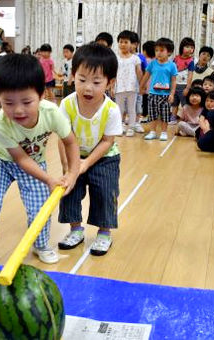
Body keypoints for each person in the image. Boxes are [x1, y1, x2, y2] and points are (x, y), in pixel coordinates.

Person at [0, 53, 80, 264]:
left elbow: (71, 142)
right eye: (8, 103)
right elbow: (20, 159)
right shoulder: (1, 124)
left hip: (34, 161)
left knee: (40, 205)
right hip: (0, 161)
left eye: (27, 101)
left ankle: (41, 243)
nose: (18, 110)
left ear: (41, 95)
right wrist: (48, 179)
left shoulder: (52, 113)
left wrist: (72, 174)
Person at [57, 43, 121, 256]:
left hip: (104, 157)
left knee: (104, 191)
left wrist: (86, 163)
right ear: (73, 76)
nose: (87, 88)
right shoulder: (66, 105)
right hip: (75, 155)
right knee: (69, 190)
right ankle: (76, 230)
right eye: (82, 80)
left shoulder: (111, 110)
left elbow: (107, 141)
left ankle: (104, 233)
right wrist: (69, 167)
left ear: (109, 83)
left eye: (96, 82)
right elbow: (64, 138)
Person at [139, 37, 177, 141]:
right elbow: (146, 76)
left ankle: (164, 132)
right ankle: (152, 132)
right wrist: (141, 87)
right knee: (152, 114)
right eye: (156, 50)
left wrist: (172, 94)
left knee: (165, 115)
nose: (158, 53)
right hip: (152, 93)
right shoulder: (152, 64)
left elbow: (173, 81)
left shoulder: (172, 65)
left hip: (165, 95)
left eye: (161, 50)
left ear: (169, 52)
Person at [114, 30, 142, 137]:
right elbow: (113, 73)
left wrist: (142, 86)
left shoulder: (135, 58)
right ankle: (120, 126)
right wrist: (112, 87)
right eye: (121, 42)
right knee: (119, 109)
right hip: (119, 87)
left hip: (132, 88)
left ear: (132, 44)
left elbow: (139, 73)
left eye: (126, 42)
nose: (123, 44)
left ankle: (131, 127)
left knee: (131, 108)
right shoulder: (115, 58)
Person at [171, 37, 196, 124]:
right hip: (174, 85)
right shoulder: (176, 58)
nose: (190, 49)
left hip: (184, 86)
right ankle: (173, 118)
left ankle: (186, 119)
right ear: (182, 47)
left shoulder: (191, 61)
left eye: (192, 47)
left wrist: (188, 88)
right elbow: (172, 72)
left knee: (185, 104)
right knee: (174, 103)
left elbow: (190, 75)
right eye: (187, 46)